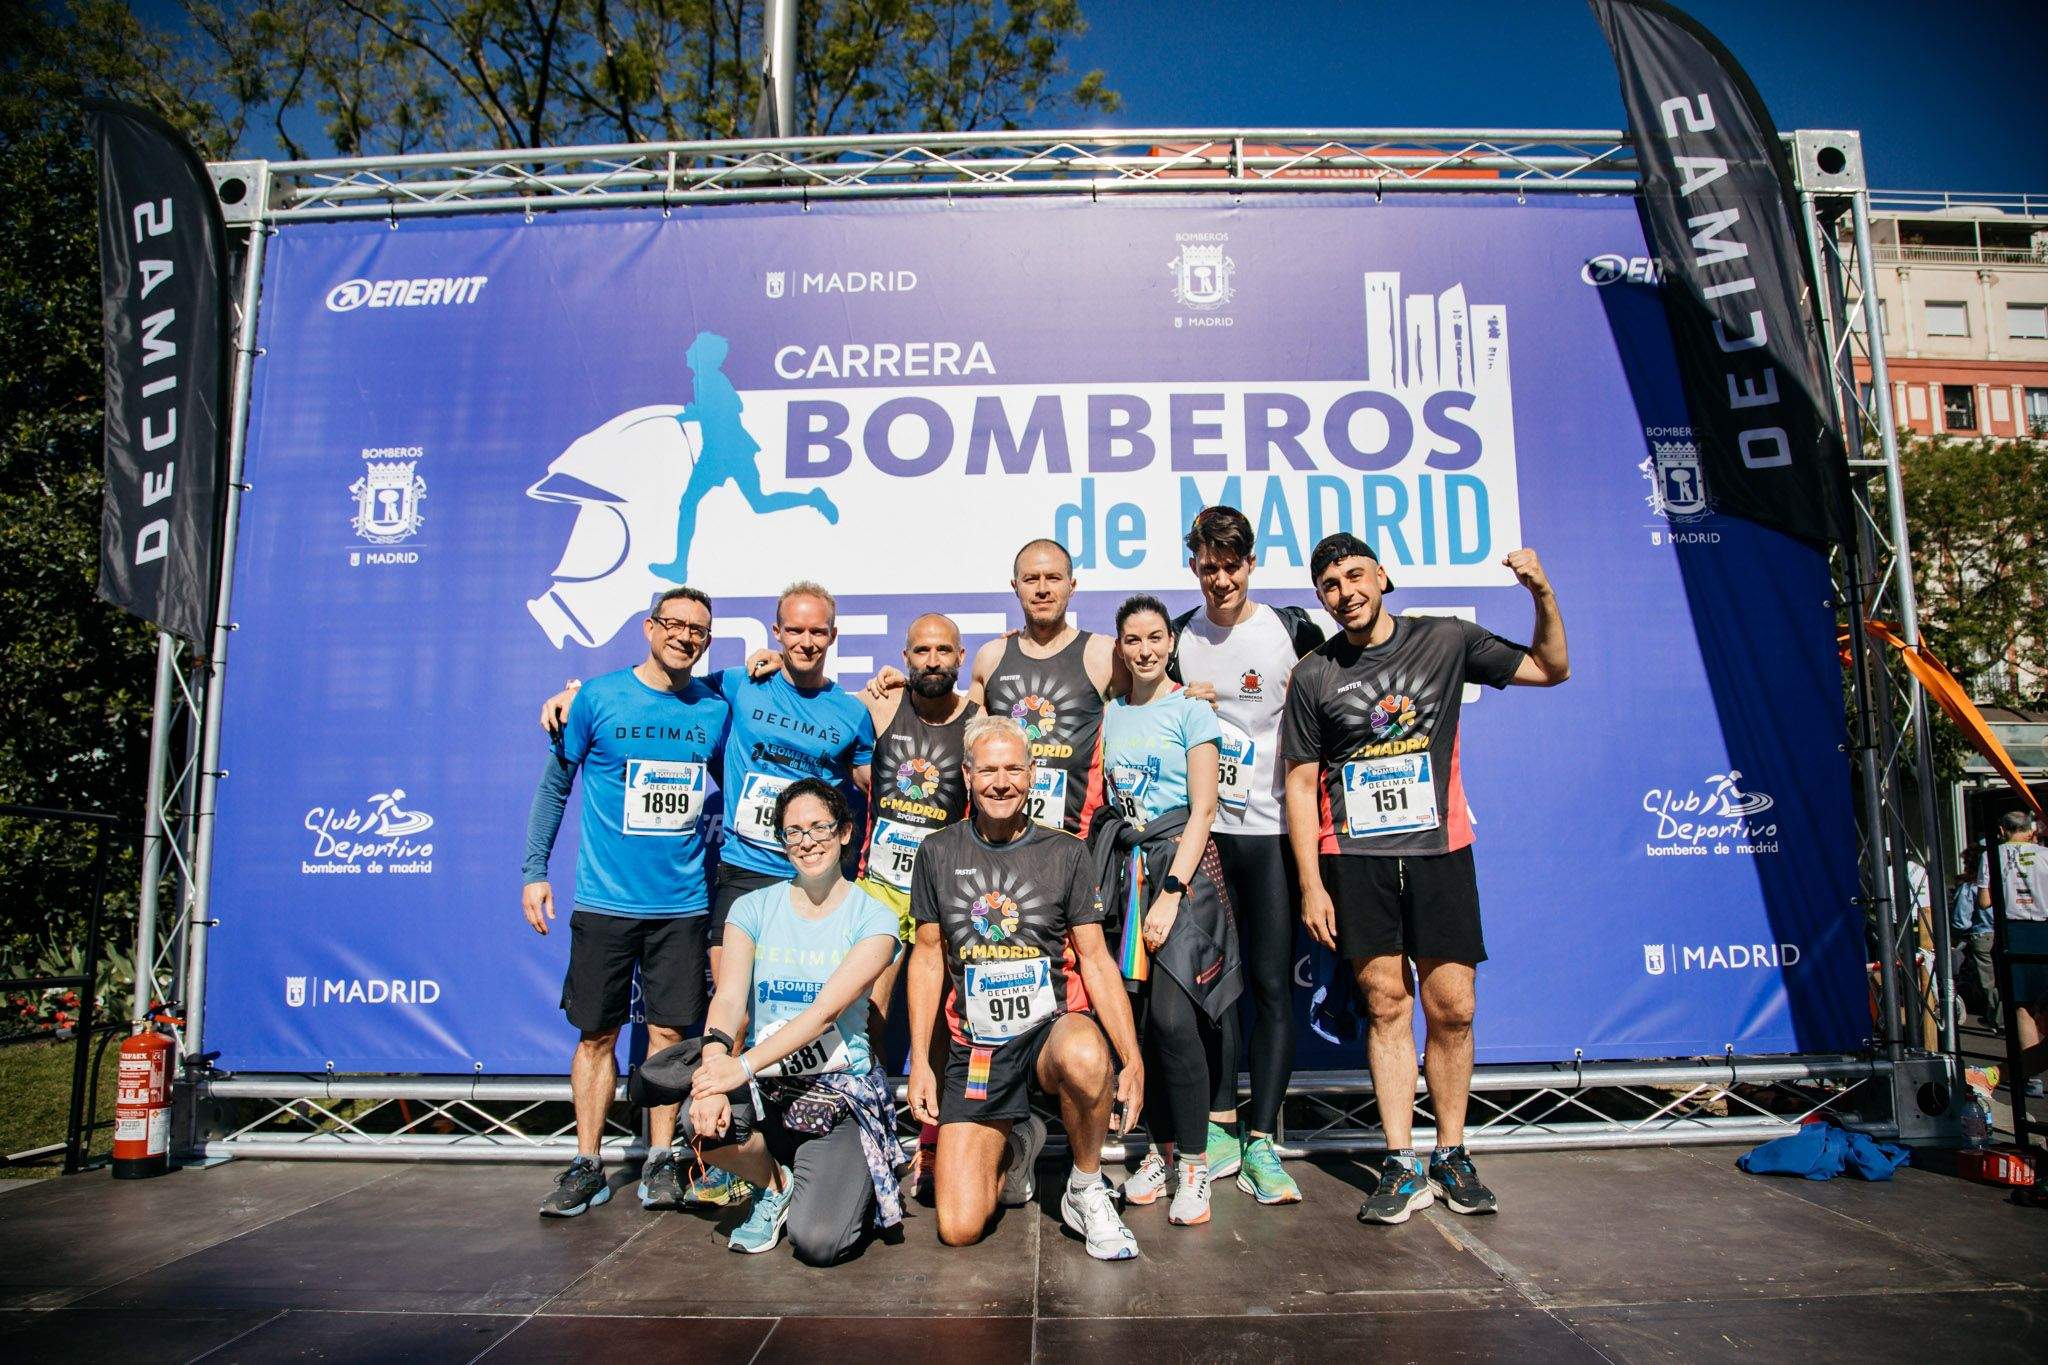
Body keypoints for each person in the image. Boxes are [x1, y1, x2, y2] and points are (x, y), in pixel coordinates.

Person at [1281, 532, 1568, 1226]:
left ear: (1383, 576)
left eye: (1355, 576)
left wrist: (1542, 593)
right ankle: (1401, 1161)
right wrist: (1312, 884)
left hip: (1440, 852)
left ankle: (1452, 1151)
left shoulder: (1445, 639)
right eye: (1330, 584)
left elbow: (1550, 668)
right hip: (1357, 859)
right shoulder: (1315, 673)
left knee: (1454, 1007)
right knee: (1384, 1005)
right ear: (1321, 597)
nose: (1345, 592)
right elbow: (1296, 781)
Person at [522, 586, 730, 1217]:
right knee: (596, 1036)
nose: (685, 636)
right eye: (674, 624)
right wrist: (535, 870)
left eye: (698, 629)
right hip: (605, 903)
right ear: (649, 628)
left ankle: (663, 1160)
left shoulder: (715, 708)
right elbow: (556, 786)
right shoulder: (597, 699)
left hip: (683, 905)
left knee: (669, 1033)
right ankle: (586, 1164)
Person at [905, 715, 1144, 1260]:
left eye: (1014, 768)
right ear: (967, 774)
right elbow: (925, 958)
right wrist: (921, 1060)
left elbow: (1096, 959)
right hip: (979, 1048)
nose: (1001, 782)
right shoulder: (938, 852)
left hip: (1049, 1032)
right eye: (988, 770)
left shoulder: (1066, 853)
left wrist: (1130, 1057)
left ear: (1033, 774)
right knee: (960, 1228)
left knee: (1086, 1054)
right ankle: (1017, 1147)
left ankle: (1084, 1188)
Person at [1165, 505, 1325, 1203]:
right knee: (1214, 988)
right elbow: (1141, 706)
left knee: (1269, 984)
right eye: (1208, 564)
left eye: (1232, 564)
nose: (1220, 576)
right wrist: (1176, 692)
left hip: (1272, 833)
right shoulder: (1178, 637)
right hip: (1206, 832)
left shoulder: (1289, 629)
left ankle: (1263, 1137)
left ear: (1250, 563)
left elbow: (1339, 697)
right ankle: (1221, 1124)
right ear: (1194, 563)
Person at [686, 779, 903, 1260]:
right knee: (696, 1118)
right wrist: (713, 1073)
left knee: (820, 1243)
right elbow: (728, 1000)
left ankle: (842, 1177)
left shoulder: (876, 917)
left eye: (819, 827)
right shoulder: (751, 908)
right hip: (766, 1089)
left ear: (845, 832)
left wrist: (739, 1068)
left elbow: (825, 1013)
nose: (807, 841)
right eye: (793, 832)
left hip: (835, 1093)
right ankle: (774, 1183)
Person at [1096, 594, 1241, 1226]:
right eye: (1133, 640)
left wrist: (1172, 894)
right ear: (1120, 648)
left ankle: (1194, 1166)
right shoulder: (1112, 712)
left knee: (1179, 1023)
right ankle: (1156, 1151)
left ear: (1170, 644)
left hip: (1180, 878)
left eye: (1156, 637)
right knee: (1144, 1025)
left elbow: (1204, 811)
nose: (1146, 649)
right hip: (1126, 875)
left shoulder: (1192, 711)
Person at [870, 539, 1123, 836]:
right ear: (1016, 586)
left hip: (1078, 839)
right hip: (1002, 842)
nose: (1042, 589)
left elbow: (1149, 705)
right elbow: (960, 732)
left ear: (1072, 585)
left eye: (1053, 578)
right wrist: (912, 686)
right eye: (1031, 579)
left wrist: (1192, 691)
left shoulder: (1104, 654)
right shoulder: (992, 657)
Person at [649, 331, 837, 584]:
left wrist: (697, 412)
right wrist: (697, 413)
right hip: (721, 452)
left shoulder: (711, 379)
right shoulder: (703, 380)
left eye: (692, 347)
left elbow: (733, 407)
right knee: (704, 502)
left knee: (752, 503)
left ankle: (813, 498)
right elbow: (724, 409)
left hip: (727, 452)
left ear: (702, 356)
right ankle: (679, 566)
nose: (687, 351)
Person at [1979, 810, 2048, 1094]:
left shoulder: (1991, 855)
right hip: (2044, 928)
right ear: (2030, 830)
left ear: (2001, 829)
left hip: (2013, 932)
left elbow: (1984, 901)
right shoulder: (2045, 854)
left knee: (2023, 1007)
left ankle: (2030, 1076)